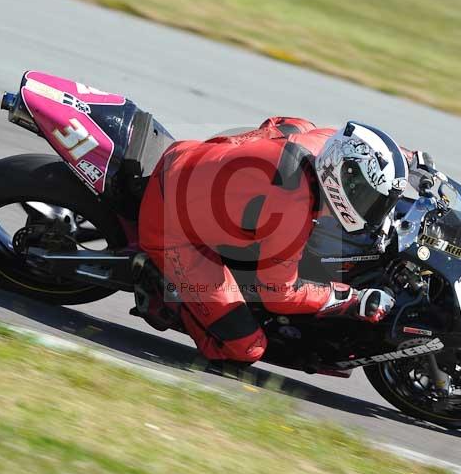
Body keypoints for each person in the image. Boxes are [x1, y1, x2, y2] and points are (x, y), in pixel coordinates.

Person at [138, 117, 417, 364]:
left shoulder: (324, 143)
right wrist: (353, 299)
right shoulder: (290, 212)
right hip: (171, 228)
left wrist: (410, 161)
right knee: (248, 348)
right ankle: (165, 291)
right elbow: (278, 293)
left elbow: (280, 122)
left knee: (295, 126)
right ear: (340, 175)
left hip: (189, 156)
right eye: (369, 197)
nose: (375, 208)